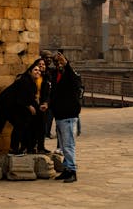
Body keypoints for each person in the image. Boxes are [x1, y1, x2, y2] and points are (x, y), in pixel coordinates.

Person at [0, 59, 42, 154]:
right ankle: (13, 149)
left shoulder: (31, 83)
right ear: (29, 71)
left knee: (25, 124)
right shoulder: (24, 81)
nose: (38, 72)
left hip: (17, 106)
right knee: (20, 125)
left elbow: (30, 98)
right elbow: (20, 97)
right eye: (35, 70)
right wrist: (29, 106)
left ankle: (25, 147)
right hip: (8, 106)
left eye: (39, 70)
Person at [50, 50, 82, 183]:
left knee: (68, 145)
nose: (59, 64)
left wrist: (67, 65)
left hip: (68, 115)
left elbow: (74, 82)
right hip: (60, 115)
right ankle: (66, 169)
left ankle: (72, 171)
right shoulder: (57, 76)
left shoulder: (71, 76)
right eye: (56, 62)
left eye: (61, 62)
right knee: (63, 146)